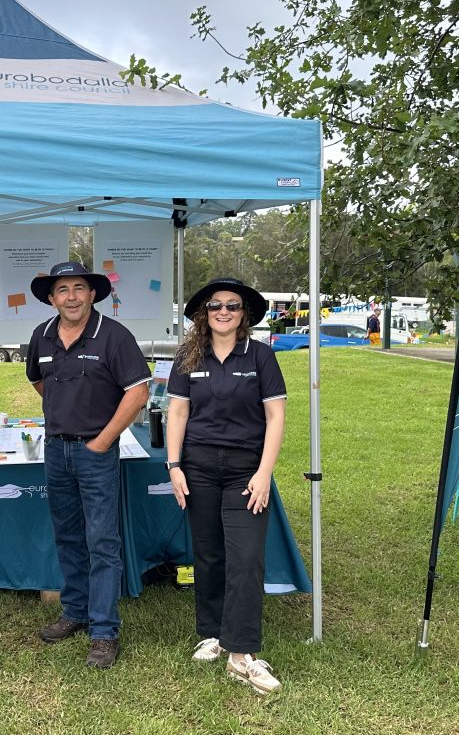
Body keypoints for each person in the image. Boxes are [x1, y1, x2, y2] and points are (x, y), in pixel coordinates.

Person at [163, 277, 287, 696]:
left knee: (247, 557)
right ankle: (213, 634)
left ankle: (242, 654)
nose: (223, 311)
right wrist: (174, 465)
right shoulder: (188, 356)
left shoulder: (262, 357)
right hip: (197, 468)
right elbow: (177, 413)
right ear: (204, 312)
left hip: (244, 471)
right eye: (215, 305)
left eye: (232, 306)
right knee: (209, 555)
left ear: (244, 314)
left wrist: (264, 472)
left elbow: (275, 418)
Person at [24, 261, 151, 669]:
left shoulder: (114, 336)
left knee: (102, 542)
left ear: (93, 293)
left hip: (95, 453)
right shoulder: (41, 336)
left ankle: (103, 631)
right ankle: (76, 611)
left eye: (79, 288)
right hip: (56, 451)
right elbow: (39, 382)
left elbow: (138, 393)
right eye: (63, 290)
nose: (72, 297)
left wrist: (101, 440)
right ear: (51, 297)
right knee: (68, 535)